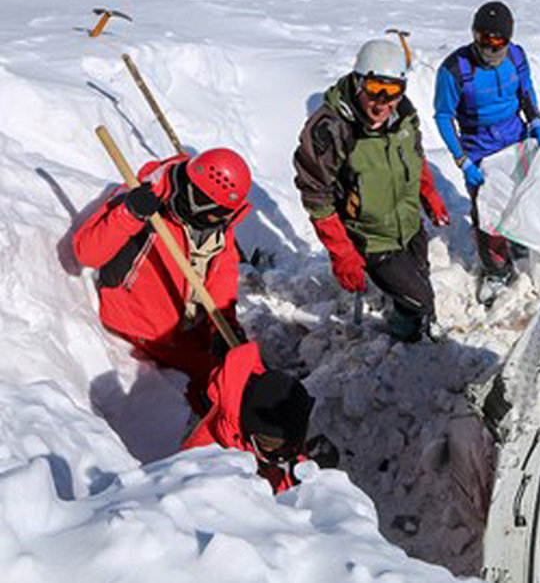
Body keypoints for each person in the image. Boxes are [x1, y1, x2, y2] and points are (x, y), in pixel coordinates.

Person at [73, 148, 252, 414]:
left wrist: (223, 324)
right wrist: (129, 214)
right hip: (141, 320)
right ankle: (220, 434)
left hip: (185, 314)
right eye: (218, 215)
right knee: (212, 375)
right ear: (198, 202)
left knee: (240, 358)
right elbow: (87, 252)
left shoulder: (217, 219)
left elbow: (221, 271)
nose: (222, 221)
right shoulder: (147, 197)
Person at [294, 39, 449, 342]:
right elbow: (317, 197)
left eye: (392, 91)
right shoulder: (331, 129)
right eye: (375, 88)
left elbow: (415, 158)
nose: (382, 102)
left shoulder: (403, 116)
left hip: (408, 224)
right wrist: (343, 254)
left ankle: (409, 334)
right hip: (371, 237)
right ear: (358, 81)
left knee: (419, 285)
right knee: (421, 299)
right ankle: (405, 336)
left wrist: (429, 195)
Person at [434, 1, 540, 307]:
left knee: (521, 196)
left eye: (498, 42)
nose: (490, 48)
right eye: (483, 39)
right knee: (488, 213)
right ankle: (496, 270)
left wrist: (535, 120)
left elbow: (526, 91)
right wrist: (463, 160)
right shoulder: (455, 70)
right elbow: (444, 116)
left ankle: (521, 241)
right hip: (480, 146)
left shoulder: (516, 57)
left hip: (515, 139)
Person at [182, 341, 313, 493]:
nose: (282, 452)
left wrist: (301, 477)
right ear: (250, 432)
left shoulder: (271, 403)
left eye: (290, 446)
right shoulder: (201, 462)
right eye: (273, 444)